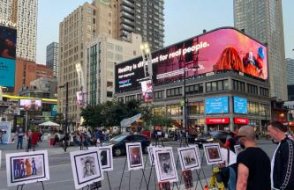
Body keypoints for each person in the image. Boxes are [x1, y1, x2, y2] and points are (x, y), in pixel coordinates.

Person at [236, 125, 271, 190]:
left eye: (238, 137)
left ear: (243, 138)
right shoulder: (263, 154)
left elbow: (242, 183)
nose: (238, 139)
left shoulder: (243, 155)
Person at [267, 121, 294, 190]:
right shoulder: (282, 144)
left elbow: (289, 170)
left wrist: (282, 188)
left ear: (276, 130)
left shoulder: (288, 144)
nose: (268, 133)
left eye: (269, 131)